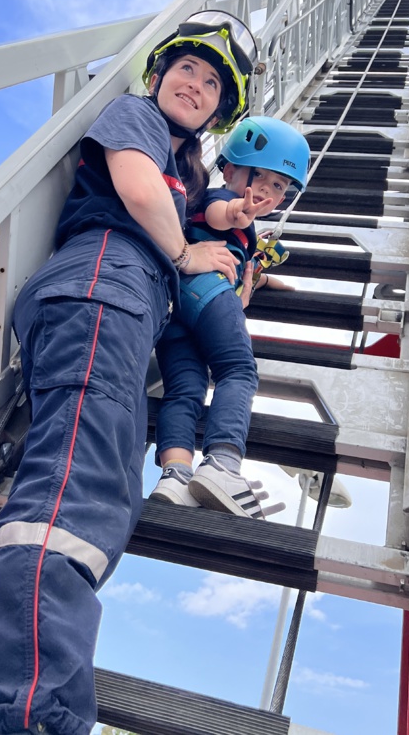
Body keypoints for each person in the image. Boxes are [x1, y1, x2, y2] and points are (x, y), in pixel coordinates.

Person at [0, 9, 257, 735]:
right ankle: (22, 716)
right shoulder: (137, 119)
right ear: (156, 76)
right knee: (77, 505)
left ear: (222, 108)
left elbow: (195, 215)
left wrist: (225, 246)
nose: (195, 83)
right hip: (104, 286)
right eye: (186, 67)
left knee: (47, 511)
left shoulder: (192, 169)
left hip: (111, 302)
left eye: (213, 81)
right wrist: (183, 256)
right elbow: (136, 189)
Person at [150, 116, 310, 517]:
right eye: (264, 180)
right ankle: (223, 462)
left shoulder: (240, 223)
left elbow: (240, 253)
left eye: (280, 188)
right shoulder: (215, 195)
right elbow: (222, 214)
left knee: (184, 388)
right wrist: (241, 211)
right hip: (204, 288)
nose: (269, 194)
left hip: (175, 309)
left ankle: (176, 475)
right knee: (238, 369)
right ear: (233, 168)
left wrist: (264, 280)